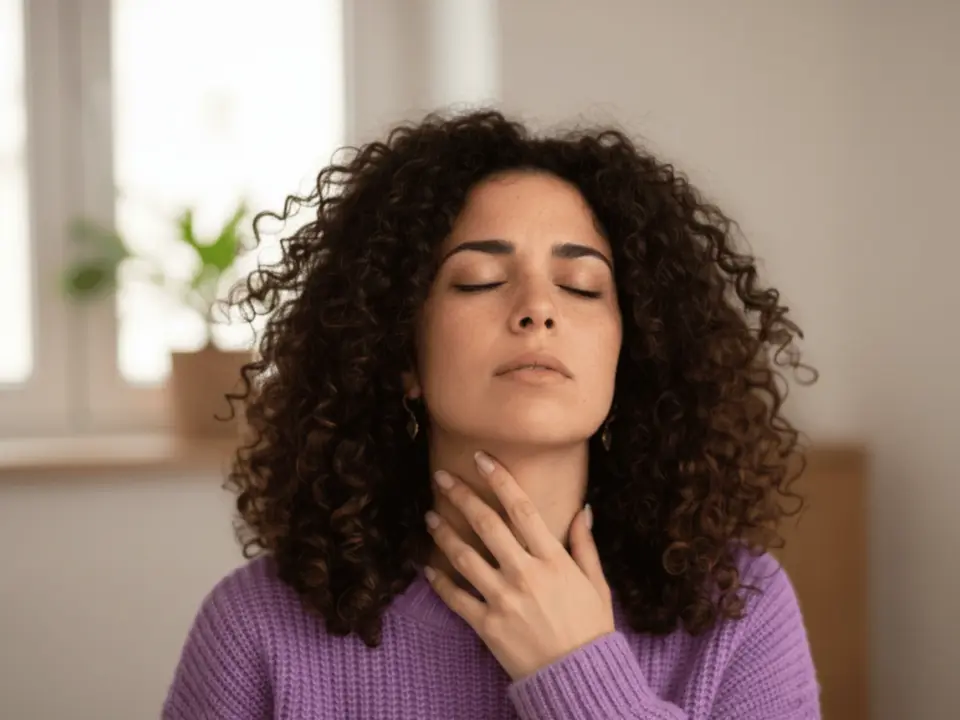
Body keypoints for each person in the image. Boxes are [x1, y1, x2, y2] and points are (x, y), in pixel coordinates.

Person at [163, 109, 820, 719]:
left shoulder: (737, 609)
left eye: (582, 287)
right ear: (401, 355)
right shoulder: (257, 626)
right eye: (479, 279)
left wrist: (579, 671)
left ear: (631, 354)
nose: (538, 308)